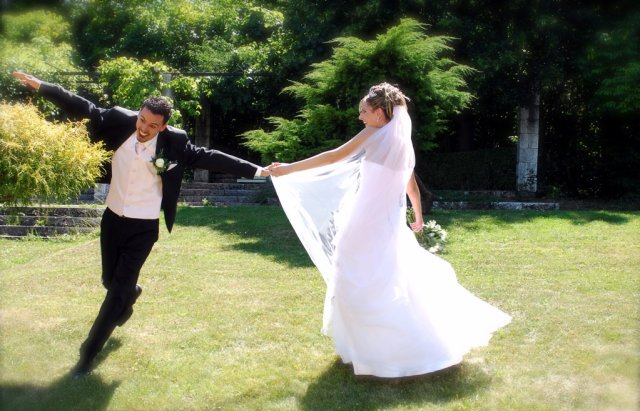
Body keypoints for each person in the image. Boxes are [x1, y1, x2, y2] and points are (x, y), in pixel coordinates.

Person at [12, 71, 270, 377]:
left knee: (115, 294)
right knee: (110, 281)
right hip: (112, 220)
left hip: (143, 228)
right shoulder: (120, 121)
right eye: (142, 120)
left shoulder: (175, 143)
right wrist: (43, 86)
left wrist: (258, 171)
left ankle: (87, 355)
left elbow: (211, 157)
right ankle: (131, 292)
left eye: (152, 126)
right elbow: (83, 106)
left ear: (163, 126)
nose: (144, 129)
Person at [269, 82, 511, 378]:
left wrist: (288, 168)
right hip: (388, 223)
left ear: (380, 113)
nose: (360, 117)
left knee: (356, 276)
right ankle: (392, 346)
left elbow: (334, 156)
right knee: (388, 277)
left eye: (364, 111)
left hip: (363, 221)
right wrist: (418, 216)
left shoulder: (373, 135)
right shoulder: (402, 143)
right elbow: (411, 185)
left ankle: (373, 350)